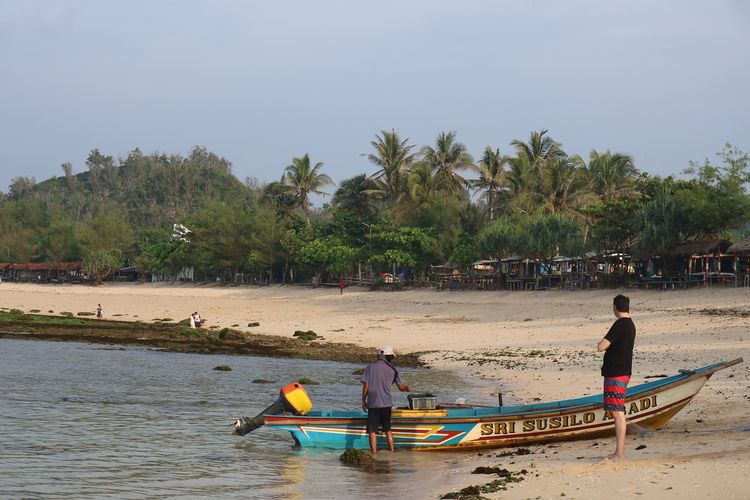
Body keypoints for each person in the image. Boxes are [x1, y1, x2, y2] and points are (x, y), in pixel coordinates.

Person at [597, 294, 636, 460]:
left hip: (617, 373)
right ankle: (619, 451)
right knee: (617, 411)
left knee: (617, 412)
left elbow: (601, 346)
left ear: (615, 307)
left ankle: (619, 452)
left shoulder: (620, 324)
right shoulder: (631, 324)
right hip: (622, 371)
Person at [360, 345, 410, 453]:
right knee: (388, 430)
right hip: (387, 404)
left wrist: (363, 400)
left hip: (373, 404)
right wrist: (406, 388)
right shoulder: (393, 370)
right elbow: (401, 387)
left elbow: (366, 386)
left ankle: (374, 454)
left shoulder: (370, 367)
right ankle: (392, 452)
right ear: (389, 357)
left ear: (380, 355)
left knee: (372, 432)